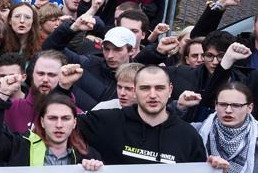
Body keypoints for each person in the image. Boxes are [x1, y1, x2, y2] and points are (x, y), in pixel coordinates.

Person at [78, 66, 207, 165]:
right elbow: (63, 127)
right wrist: (63, 88)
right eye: (145, 88)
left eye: (159, 88)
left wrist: (212, 169)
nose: (152, 95)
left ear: (170, 90)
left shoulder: (188, 136)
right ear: (134, 91)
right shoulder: (107, 122)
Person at [0, 73, 103, 168]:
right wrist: (2, 95)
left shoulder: (87, 155)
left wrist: (95, 172)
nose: (59, 125)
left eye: (65, 118)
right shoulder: (21, 147)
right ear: (42, 122)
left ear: (74, 123)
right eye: (52, 118)